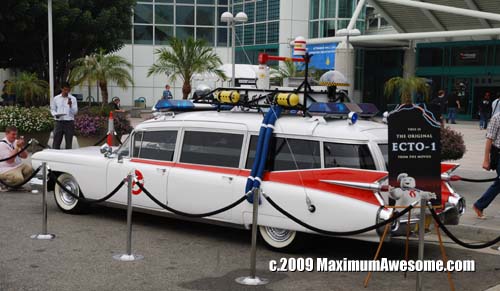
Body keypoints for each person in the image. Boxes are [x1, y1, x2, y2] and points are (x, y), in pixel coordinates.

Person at [474, 113, 500, 219]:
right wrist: (486, 160)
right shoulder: (497, 117)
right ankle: (479, 205)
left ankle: (479, 205)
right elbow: (489, 139)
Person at [50, 82, 78, 149]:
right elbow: (52, 109)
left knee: (69, 143)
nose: (66, 91)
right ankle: (55, 156)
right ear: (61, 89)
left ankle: (68, 158)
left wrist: (70, 105)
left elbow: (75, 112)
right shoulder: (56, 98)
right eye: (65, 90)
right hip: (59, 122)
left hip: (69, 122)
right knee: (56, 142)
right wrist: (55, 115)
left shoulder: (73, 99)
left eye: (68, 90)